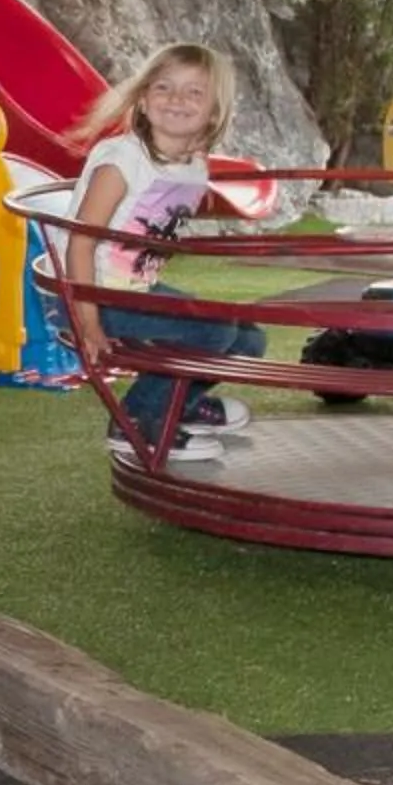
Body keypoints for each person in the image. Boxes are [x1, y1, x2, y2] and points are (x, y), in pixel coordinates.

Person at [61, 41, 267, 466]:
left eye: (195, 92)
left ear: (213, 112)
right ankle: (136, 419)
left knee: (249, 337)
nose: (177, 99)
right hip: (94, 292)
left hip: (135, 287)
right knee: (212, 332)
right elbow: (80, 241)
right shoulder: (122, 163)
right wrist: (88, 320)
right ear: (142, 98)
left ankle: (178, 406)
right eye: (164, 87)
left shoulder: (192, 163)